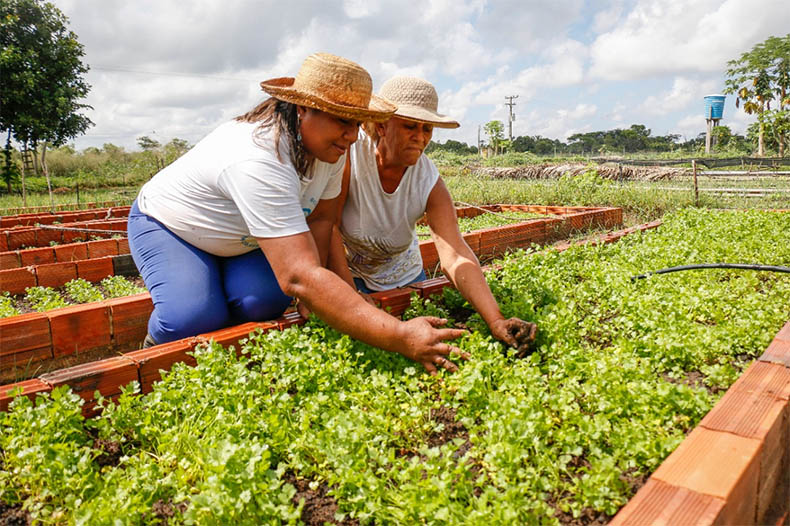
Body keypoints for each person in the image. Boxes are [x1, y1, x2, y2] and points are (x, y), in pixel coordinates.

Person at [128, 54, 468, 375]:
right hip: (174, 228)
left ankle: (221, 340)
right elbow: (298, 275)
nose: (351, 135)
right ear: (304, 109)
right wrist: (399, 335)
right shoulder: (260, 157)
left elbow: (321, 220)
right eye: (341, 121)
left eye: (356, 124)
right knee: (192, 317)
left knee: (264, 302)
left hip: (239, 240)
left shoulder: (330, 150)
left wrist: (318, 297)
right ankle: (149, 356)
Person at [329, 76, 537, 353]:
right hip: (351, 275)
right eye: (410, 126)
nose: (421, 137)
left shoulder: (428, 181)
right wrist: (350, 297)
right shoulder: (351, 160)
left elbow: (455, 253)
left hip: (405, 277)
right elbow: (327, 226)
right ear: (382, 125)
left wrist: (495, 319)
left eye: (427, 128)